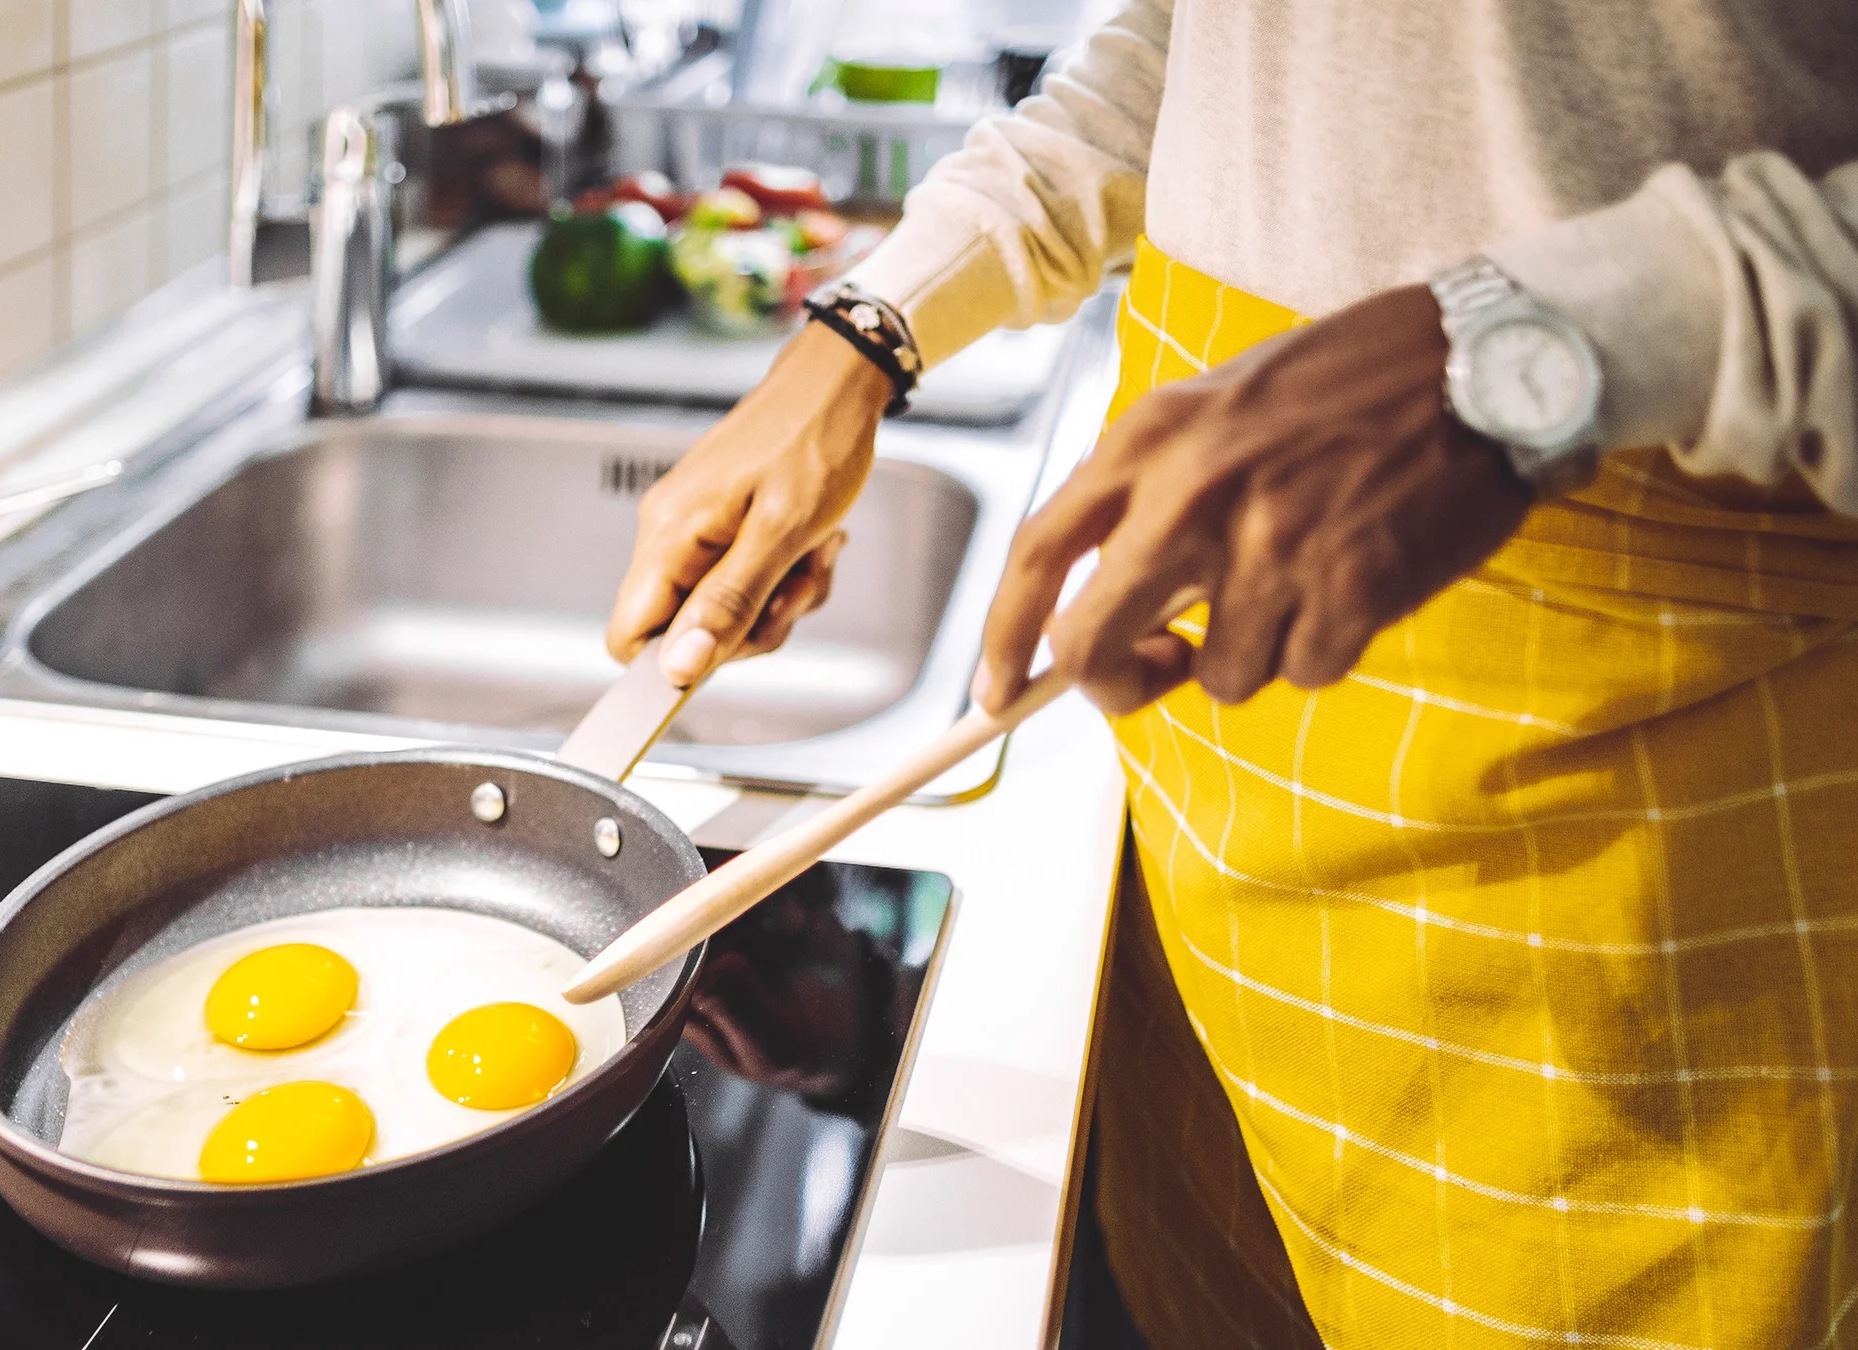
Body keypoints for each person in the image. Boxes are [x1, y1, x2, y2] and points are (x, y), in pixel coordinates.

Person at [601, 3, 1858, 1346]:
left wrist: (1539, 346)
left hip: (1637, 787)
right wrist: (867, 327)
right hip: (1213, 795)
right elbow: (1206, 42)